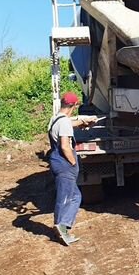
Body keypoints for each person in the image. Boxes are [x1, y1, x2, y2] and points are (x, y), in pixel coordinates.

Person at [48, 91, 96, 246]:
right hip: (64, 163)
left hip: (56, 161)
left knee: (72, 196)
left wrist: (83, 122)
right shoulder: (64, 123)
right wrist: (73, 162)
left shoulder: (56, 118)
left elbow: (68, 122)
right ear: (74, 106)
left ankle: (61, 227)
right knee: (68, 197)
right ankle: (61, 226)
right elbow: (65, 146)